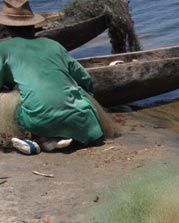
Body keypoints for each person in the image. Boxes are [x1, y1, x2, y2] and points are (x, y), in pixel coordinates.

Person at [0, 0, 103, 155]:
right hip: (84, 121)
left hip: (40, 120)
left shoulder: (4, 48)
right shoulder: (53, 44)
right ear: (33, 25)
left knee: (8, 99)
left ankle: (40, 139)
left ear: (7, 28)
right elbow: (84, 78)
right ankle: (61, 136)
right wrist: (90, 97)